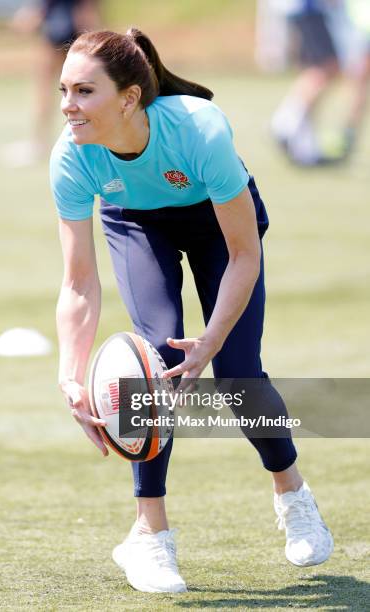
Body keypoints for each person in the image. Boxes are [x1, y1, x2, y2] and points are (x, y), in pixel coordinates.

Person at [51, 28, 334, 593]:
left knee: (238, 375)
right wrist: (69, 375)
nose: (68, 106)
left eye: (84, 92)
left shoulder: (199, 128)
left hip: (218, 228)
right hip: (134, 221)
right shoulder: (72, 157)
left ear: (129, 97)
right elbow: (79, 283)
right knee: (154, 363)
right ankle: (149, 537)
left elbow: (243, 253)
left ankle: (292, 495)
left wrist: (212, 340)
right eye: (64, 90)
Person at [2, 0, 100, 167]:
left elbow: (85, 9)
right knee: (71, 90)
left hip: (68, 31)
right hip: (68, 30)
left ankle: (43, 143)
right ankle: (42, 142)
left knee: (70, 90)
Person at [271, 0, 368, 165]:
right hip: (309, 8)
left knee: (322, 68)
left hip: (310, 9)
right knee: (325, 67)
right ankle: (285, 124)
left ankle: (299, 136)